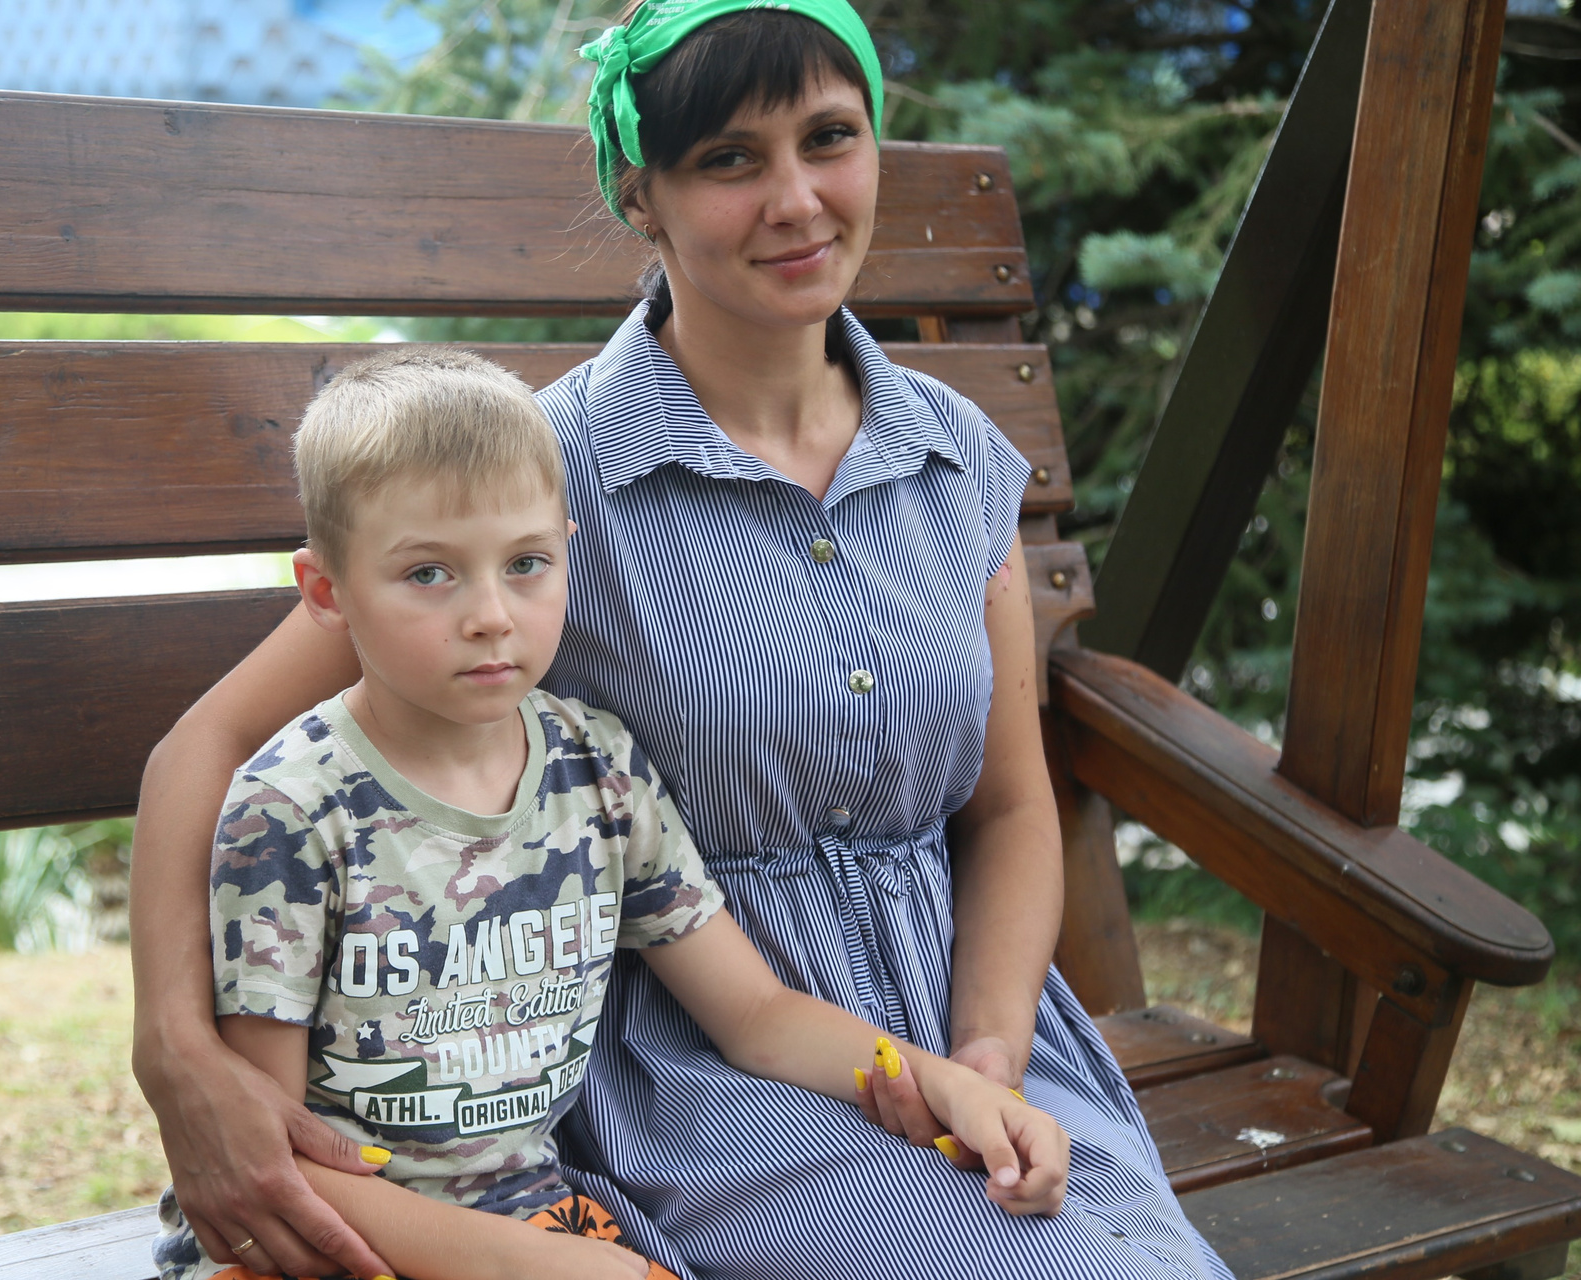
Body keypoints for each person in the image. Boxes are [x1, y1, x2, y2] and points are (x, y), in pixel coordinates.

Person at [129, 1, 1237, 1276]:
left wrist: (984, 1045)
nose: (797, 199)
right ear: (639, 194)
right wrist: (175, 1050)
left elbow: (1009, 806)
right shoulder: (536, 484)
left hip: (956, 1025)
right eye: (730, 159)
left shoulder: (956, 459)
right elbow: (211, 741)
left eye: (830, 138)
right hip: (698, 1063)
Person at [150, 350, 1068, 1280]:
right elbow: (276, 1153)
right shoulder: (293, 812)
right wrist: (515, 1265)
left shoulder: (598, 774)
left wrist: (945, 1083)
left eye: (526, 564)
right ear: (326, 592)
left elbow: (756, 1013)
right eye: (429, 574)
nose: (490, 615)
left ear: (568, 553)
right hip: (320, 1241)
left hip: (530, 1211)